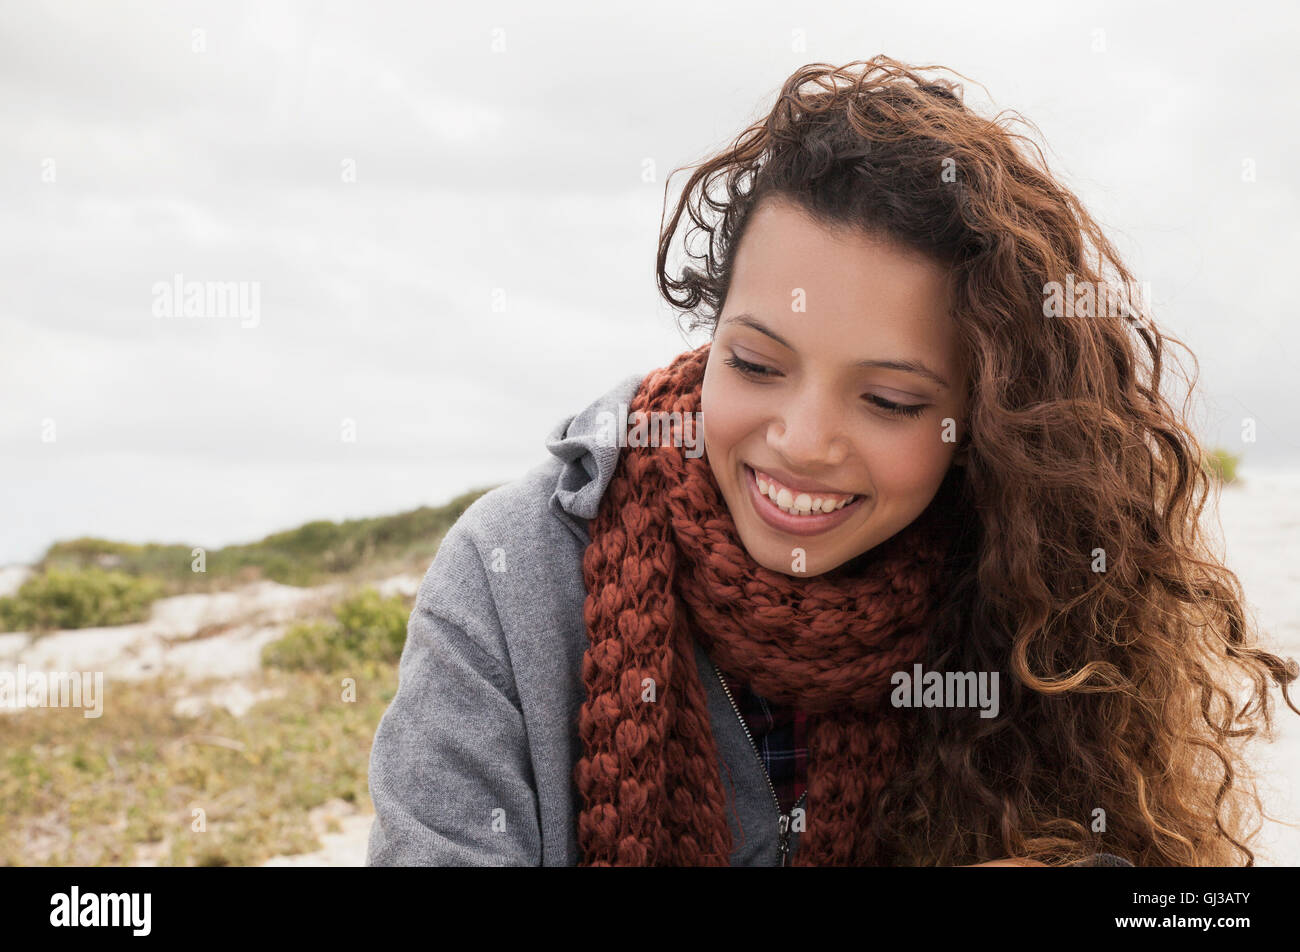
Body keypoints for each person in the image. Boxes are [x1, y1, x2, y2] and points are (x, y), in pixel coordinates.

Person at [365, 56, 1297, 867]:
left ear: (981, 420)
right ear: (711, 328)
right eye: (756, 364)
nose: (804, 441)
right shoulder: (510, 574)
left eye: (890, 401)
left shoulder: (1034, 579)